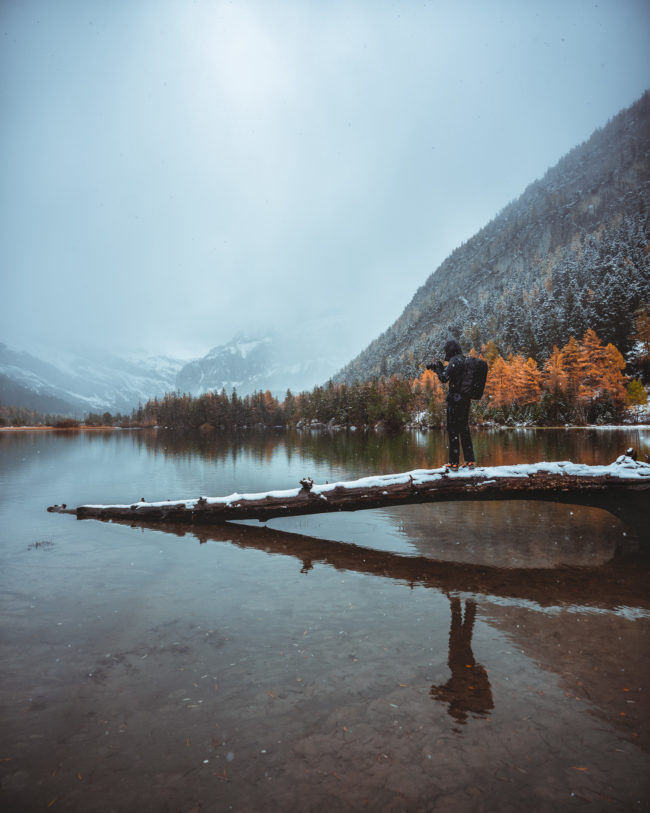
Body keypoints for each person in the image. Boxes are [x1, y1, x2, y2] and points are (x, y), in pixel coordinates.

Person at [429, 339, 476, 470]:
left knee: (453, 430)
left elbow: (444, 378)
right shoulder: (464, 360)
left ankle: (454, 463)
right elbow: (453, 373)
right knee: (464, 429)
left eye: (446, 350)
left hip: (455, 400)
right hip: (465, 400)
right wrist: (439, 368)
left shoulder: (454, 361)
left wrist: (438, 370)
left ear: (449, 350)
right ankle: (470, 461)